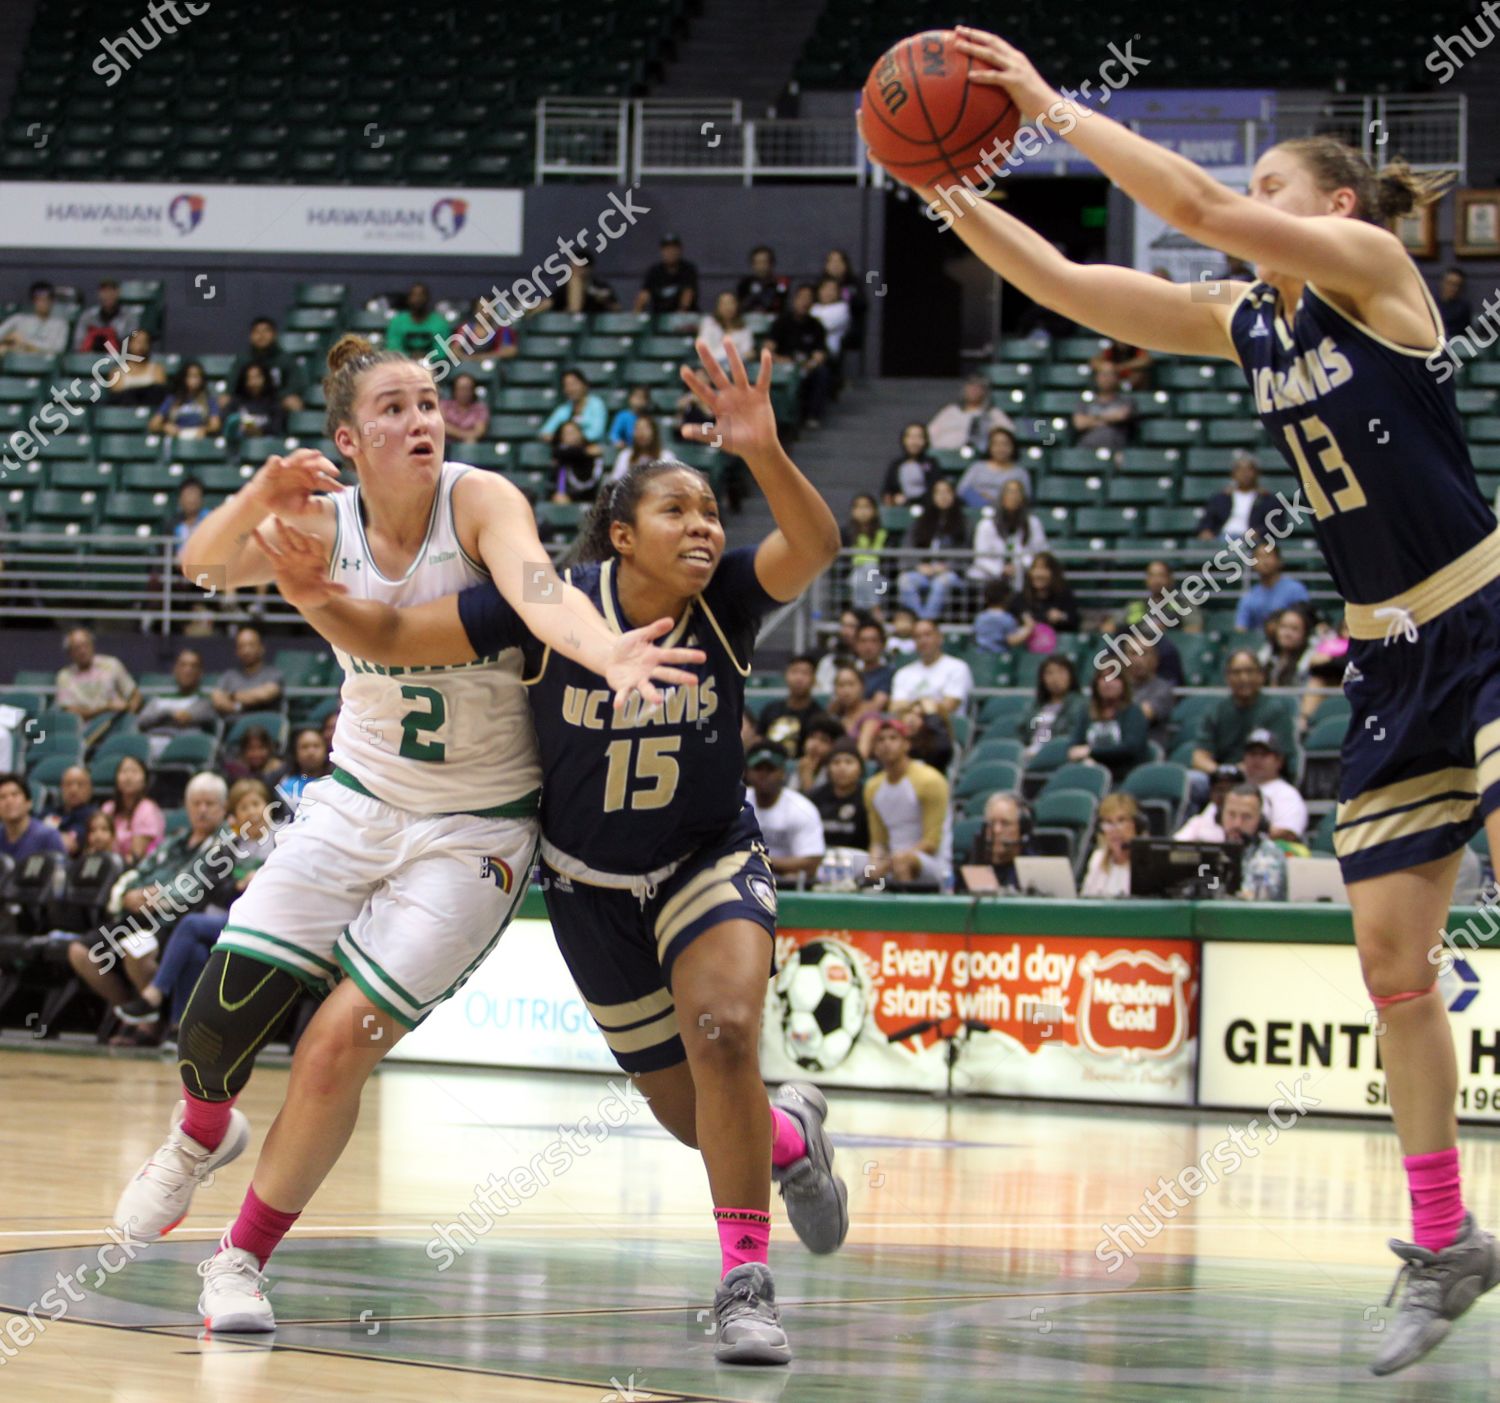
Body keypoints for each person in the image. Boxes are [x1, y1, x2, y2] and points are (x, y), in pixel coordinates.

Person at [888, 34, 1500, 1359]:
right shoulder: (1253, 319)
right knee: (1394, 966)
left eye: (1274, 180)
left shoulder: (1376, 274)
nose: (1249, 198)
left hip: (1486, 615)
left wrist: (1051, 110)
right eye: (1254, 186)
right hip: (1389, 663)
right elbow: (1063, 279)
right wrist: (944, 187)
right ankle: (1448, 1241)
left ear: (1331, 208)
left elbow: (1201, 209)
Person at [248, 339, 846, 1364]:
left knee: (724, 1030)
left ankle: (746, 1284)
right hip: (589, 885)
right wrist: (307, 594)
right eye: (678, 512)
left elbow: (818, 543)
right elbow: (393, 638)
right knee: (696, 1113)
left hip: (707, 856)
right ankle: (790, 1134)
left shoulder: (731, 602)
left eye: (711, 510)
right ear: (620, 534)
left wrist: (766, 450)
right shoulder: (543, 609)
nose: (705, 526)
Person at [112, 334, 703, 1339]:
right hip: (355, 799)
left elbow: (538, 585)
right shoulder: (319, 519)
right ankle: (201, 1130)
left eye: (430, 401)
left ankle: (240, 1259)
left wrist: (605, 648)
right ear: (349, 438)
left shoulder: (478, 501)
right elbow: (203, 566)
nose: (421, 419)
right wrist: (259, 492)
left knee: (341, 1039)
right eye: (394, 408)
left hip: (476, 825)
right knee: (213, 1021)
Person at [66, 772, 235, 1042]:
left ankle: (145, 1024)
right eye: (196, 803)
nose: (202, 810)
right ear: (187, 806)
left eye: (210, 803)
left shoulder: (224, 845)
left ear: (223, 808)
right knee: (81, 952)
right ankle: (131, 1010)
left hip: (173, 920)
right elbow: (140, 870)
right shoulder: (174, 841)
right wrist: (127, 895)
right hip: (138, 913)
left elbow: (196, 889)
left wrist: (159, 895)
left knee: (136, 948)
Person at [112, 777, 279, 1034]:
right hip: (229, 917)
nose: (252, 812)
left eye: (256, 804)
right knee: (195, 952)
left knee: (189, 924)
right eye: (243, 808)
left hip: (263, 921)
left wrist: (260, 879)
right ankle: (179, 1028)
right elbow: (215, 891)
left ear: (267, 806)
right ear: (235, 817)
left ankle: (155, 995)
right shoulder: (228, 847)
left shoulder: (282, 843)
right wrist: (237, 887)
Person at [1190, 651, 1297, 793]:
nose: (1243, 678)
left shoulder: (1276, 711)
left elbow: (1281, 759)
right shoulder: (1216, 710)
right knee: (1193, 781)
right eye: (1236, 672)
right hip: (1222, 780)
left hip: (1261, 778)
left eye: (1249, 671)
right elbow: (1199, 757)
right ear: (1227, 677)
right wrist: (1225, 772)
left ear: (1261, 675)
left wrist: (1246, 770)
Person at [864, 716, 952, 887]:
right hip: (891, 860)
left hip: (932, 864)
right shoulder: (872, 786)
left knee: (901, 862)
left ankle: (908, 911)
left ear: (907, 744)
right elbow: (878, 841)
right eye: (880, 740)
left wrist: (887, 864)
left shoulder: (929, 780)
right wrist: (873, 867)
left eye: (893, 738)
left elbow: (931, 843)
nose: (886, 744)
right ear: (874, 748)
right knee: (846, 863)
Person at [744, 742, 826, 884]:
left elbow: (812, 861)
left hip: (787, 884)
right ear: (747, 772)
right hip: (742, 880)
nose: (763, 775)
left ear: (783, 772)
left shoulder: (802, 808)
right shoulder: (737, 803)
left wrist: (757, 861)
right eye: (758, 769)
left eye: (770, 769)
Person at [896, 478, 967, 621]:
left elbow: (967, 553)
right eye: (938, 492)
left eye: (947, 492)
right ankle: (920, 620)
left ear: (954, 495)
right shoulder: (921, 521)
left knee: (941, 583)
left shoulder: (964, 523)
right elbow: (907, 548)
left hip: (951, 573)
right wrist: (918, 566)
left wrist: (948, 566)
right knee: (905, 580)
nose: (943, 496)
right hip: (923, 571)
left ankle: (927, 622)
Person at [1067, 667, 1150, 782]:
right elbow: (1074, 747)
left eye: (1114, 678)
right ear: (1096, 684)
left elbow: (1130, 748)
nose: (1108, 683)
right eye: (1103, 678)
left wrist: (1091, 753)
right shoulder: (1086, 713)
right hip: (1088, 773)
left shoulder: (1133, 712)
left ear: (1123, 684)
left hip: (1123, 776)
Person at [767, 284, 832, 428]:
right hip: (782, 366)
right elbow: (768, 349)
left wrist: (810, 364)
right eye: (802, 298)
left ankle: (812, 416)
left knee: (822, 372)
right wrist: (780, 360)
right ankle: (779, 419)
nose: (805, 302)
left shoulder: (816, 326)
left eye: (809, 298)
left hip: (806, 367)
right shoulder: (781, 322)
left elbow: (820, 354)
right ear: (794, 300)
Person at [890, 617, 973, 724]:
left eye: (928, 635)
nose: (923, 640)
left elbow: (949, 706)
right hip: (909, 730)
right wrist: (925, 705)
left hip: (945, 729)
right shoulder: (903, 673)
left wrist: (912, 708)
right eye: (917, 637)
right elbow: (895, 708)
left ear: (940, 638)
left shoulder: (958, 667)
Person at [137, 648, 216, 757]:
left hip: (183, 750)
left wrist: (159, 716)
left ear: (200, 673)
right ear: (175, 670)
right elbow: (142, 720)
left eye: (193, 666)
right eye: (183, 665)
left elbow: (183, 718)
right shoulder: (159, 698)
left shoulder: (205, 701)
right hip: (150, 745)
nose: (188, 670)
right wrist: (169, 714)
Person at [55, 627, 140, 728]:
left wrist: (129, 715)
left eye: (86, 645)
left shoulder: (112, 664)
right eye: (77, 648)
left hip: (116, 724)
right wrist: (105, 709)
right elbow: (71, 712)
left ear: (92, 645)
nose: (83, 651)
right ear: (69, 653)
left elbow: (135, 695)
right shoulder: (64, 676)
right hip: (85, 730)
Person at [970, 478, 1046, 590]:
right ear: (1002, 496)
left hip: (1024, 574)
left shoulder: (1033, 523)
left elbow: (1040, 551)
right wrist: (1001, 569)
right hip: (990, 576)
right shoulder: (986, 525)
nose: (1013, 497)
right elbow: (980, 557)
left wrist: (1021, 566)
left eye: (1017, 492)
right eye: (1010, 492)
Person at [1219, 783, 1288, 900]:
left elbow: (1256, 898)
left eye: (1246, 817)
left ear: (1260, 821)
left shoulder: (1269, 854)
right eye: (1231, 814)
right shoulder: (1213, 852)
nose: (1237, 824)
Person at [1239, 727, 1308, 841]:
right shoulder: (1234, 790)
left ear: (1279, 761)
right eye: (1252, 754)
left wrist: (1246, 836)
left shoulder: (1287, 794)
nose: (1257, 759)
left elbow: (1288, 833)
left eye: (1264, 754)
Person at [959, 791, 1034, 892]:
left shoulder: (1033, 869)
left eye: (1005, 823)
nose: (996, 830)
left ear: (1023, 829)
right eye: (991, 823)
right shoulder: (975, 861)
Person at [759, 655, 831, 759]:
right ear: (786, 676)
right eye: (794, 672)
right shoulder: (770, 710)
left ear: (814, 679)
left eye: (805, 673)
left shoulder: (820, 717)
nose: (799, 678)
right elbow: (759, 739)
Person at [1197, 452, 1278, 543]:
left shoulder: (1267, 499)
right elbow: (1207, 521)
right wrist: (1206, 531)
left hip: (1251, 541)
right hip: (1222, 538)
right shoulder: (1220, 498)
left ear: (1256, 473)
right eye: (1240, 470)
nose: (1244, 474)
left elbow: (1275, 524)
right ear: (1233, 474)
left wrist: (1259, 532)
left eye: (1249, 470)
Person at [230, 317, 306, 414]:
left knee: (294, 402)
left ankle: (287, 429)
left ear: (274, 335)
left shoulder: (285, 359)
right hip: (248, 399)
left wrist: (273, 396)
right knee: (224, 400)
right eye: (257, 332)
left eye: (266, 331)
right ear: (251, 336)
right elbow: (232, 387)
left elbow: (295, 386)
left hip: (276, 399)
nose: (261, 336)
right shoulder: (243, 360)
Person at [809, 736, 871, 851]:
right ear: (828, 769)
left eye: (849, 762)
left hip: (859, 859)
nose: (842, 768)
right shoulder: (815, 797)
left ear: (860, 768)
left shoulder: (868, 797)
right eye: (836, 763)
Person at [926, 375, 1016, 453]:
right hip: (941, 453)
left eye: (978, 387)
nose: (973, 390)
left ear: (984, 392)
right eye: (970, 386)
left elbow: (1008, 432)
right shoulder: (950, 411)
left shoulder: (993, 413)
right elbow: (929, 433)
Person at [101, 754, 165, 863]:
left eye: (134, 772)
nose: (128, 777)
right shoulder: (108, 808)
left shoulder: (148, 809)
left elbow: (137, 855)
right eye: (124, 771)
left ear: (144, 780)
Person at [1236, 539, 1310, 633]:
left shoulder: (1295, 589)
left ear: (1279, 561)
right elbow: (1241, 628)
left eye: (1268, 556)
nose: (1264, 561)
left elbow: (1304, 620)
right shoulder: (1249, 596)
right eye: (1259, 557)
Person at [1018, 655, 1085, 756]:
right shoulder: (1034, 705)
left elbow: (1072, 737)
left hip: (1057, 756)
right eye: (1049, 673)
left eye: (1061, 672)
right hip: (1028, 755)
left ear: (1071, 676)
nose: (1055, 678)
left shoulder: (1080, 705)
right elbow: (1022, 734)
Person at [211, 627, 283, 718]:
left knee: (254, 731)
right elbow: (217, 699)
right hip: (233, 726)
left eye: (251, 645)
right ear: (237, 651)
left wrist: (231, 696)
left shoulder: (273, 674)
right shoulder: (229, 675)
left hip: (262, 725)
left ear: (261, 648)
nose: (246, 651)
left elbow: (263, 696)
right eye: (241, 646)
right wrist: (237, 707)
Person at [1081, 793, 1141, 897]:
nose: (1115, 829)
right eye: (1108, 822)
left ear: (1136, 825)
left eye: (1121, 820)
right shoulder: (1097, 859)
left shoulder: (1148, 865)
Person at [956, 427, 1031, 510]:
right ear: (989, 447)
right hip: (977, 510)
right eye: (996, 444)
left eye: (1005, 444)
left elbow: (1026, 498)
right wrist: (981, 500)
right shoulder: (977, 467)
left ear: (1012, 447)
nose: (1000, 448)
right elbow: (961, 490)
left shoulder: (1019, 473)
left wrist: (998, 501)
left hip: (1006, 513)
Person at [0, 771, 67, 863]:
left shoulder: (48, 836)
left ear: (29, 803)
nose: (9, 801)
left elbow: (61, 872)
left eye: (15, 795)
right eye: (2, 797)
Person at [1014, 552, 1081, 642]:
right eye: (1035, 568)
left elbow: (1074, 620)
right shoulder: (1021, 598)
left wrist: (1061, 617)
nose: (1038, 574)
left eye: (1044, 569)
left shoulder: (1064, 595)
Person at [150, 361, 222, 440]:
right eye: (190, 376)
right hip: (177, 437)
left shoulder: (209, 400)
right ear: (183, 379)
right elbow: (154, 424)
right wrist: (165, 427)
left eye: (197, 376)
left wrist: (205, 429)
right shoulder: (172, 400)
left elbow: (215, 425)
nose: (194, 380)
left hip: (198, 438)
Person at [1071, 364, 1135, 451]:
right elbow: (1079, 423)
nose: (1106, 378)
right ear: (1096, 378)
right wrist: (1110, 419)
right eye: (1103, 375)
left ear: (1117, 378)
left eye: (1110, 374)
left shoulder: (1125, 400)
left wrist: (1093, 419)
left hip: (1116, 449)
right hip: (1086, 449)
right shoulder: (1085, 401)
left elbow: (1121, 416)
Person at [841, 492, 888, 610]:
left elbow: (888, 563)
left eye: (867, 507)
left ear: (875, 510)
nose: (863, 511)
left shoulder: (884, 533)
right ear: (853, 511)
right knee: (859, 578)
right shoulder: (846, 534)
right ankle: (875, 608)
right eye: (859, 507)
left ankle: (859, 613)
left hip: (879, 577)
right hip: (853, 574)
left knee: (868, 570)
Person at [1174, 763, 1244, 842]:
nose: (1224, 795)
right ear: (1211, 793)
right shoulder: (1198, 823)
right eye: (1219, 790)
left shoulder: (1251, 822)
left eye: (1230, 790)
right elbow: (1176, 846)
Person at [539, 368, 608, 446]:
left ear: (584, 385)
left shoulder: (596, 404)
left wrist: (574, 438)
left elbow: (596, 432)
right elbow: (544, 432)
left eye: (574, 384)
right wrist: (562, 439)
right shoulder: (563, 409)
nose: (571, 389)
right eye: (567, 385)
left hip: (592, 449)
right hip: (569, 452)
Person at [40, 764, 97, 857]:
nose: (73, 789)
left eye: (80, 784)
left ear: (90, 789)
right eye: (68, 784)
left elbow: (70, 845)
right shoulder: (50, 812)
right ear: (61, 788)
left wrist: (47, 837)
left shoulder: (93, 815)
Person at [269, 727, 332, 812]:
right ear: (295, 753)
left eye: (316, 746)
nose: (311, 752)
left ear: (325, 751)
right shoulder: (282, 782)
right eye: (304, 747)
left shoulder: (335, 783)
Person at [634, 233, 699, 315]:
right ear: (662, 251)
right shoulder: (654, 272)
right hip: (659, 318)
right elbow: (643, 296)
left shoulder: (688, 269)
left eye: (673, 248)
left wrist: (681, 314)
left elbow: (688, 295)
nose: (670, 252)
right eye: (667, 249)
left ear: (680, 250)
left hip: (683, 319)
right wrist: (636, 315)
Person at [1125, 643, 1176, 748]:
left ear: (1155, 659)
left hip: (1148, 750)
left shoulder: (1162, 688)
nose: (1138, 660)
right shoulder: (1119, 686)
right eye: (1133, 653)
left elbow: (1141, 716)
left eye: (1144, 654)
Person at [383, 282, 450, 360]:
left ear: (428, 298)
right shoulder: (397, 322)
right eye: (414, 295)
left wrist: (426, 357)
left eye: (421, 295)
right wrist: (410, 356)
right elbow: (393, 348)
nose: (418, 299)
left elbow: (442, 352)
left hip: (434, 366)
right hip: (403, 365)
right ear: (408, 299)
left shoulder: (440, 323)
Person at [105, 328, 168, 408]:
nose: (141, 345)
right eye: (138, 341)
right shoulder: (117, 372)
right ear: (129, 344)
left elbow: (159, 394)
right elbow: (117, 396)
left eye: (145, 342)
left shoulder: (157, 369)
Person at [221, 362, 286, 441]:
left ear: (265, 378)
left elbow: (277, 428)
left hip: (266, 446)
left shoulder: (274, 403)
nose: (253, 383)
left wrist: (259, 431)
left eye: (257, 377)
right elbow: (227, 423)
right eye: (249, 378)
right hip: (238, 446)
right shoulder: (236, 401)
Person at [0, 280, 68, 355]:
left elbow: (58, 349)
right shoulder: (19, 319)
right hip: (21, 359)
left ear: (52, 301)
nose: (43, 303)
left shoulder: (61, 324)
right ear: (33, 301)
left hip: (46, 363)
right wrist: (9, 339)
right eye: (39, 299)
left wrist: (26, 343)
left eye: (46, 299)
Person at [880, 423, 941, 506]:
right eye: (911, 437)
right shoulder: (896, 465)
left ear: (925, 440)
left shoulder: (930, 464)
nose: (914, 441)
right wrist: (893, 499)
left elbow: (935, 488)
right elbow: (887, 491)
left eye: (919, 437)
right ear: (904, 440)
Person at [74, 277, 137, 354]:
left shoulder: (130, 316)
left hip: (120, 359)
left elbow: (134, 338)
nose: (108, 295)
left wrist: (113, 337)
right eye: (104, 291)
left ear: (118, 292)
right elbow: (78, 344)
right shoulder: (88, 316)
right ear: (99, 294)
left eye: (111, 290)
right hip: (90, 358)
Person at [551, 420, 605, 504]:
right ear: (561, 438)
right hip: (567, 499)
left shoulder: (593, 456)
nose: (572, 436)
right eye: (567, 434)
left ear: (581, 433)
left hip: (592, 498)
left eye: (574, 432)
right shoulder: (561, 457)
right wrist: (585, 452)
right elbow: (560, 451)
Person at [698, 291, 754, 368]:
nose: (728, 307)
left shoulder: (744, 328)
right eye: (724, 303)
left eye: (731, 303)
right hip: (712, 366)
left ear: (737, 305)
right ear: (718, 306)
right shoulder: (709, 323)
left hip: (736, 368)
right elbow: (704, 347)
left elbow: (747, 352)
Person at [791, 715, 844, 795]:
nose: (814, 745)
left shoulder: (835, 773)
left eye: (824, 740)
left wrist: (807, 777)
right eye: (812, 737)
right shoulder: (800, 764)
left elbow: (817, 806)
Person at [973, 578, 1028, 652]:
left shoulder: (980, 617)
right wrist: (1029, 627)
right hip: (998, 657)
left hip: (980, 655)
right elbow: (1012, 640)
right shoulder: (1007, 619)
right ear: (1007, 598)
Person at [852, 617, 895, 711]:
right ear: (856, 645)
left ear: (882, 645)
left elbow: (876, 706)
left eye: (873, 641)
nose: (868, 647)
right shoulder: (851, 674)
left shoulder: (888, 674)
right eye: (863, 641)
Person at [610, 414, 666, 484]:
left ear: (654, 432)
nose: (641, 433)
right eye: (637, 428)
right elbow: (615, 481)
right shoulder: (626, 455)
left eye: (645, 428)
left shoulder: (665, 456)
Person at [810, 276, 852, 366]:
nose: (828, 293)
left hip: (829, 350)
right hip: (808, 347)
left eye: (832, 289)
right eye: (825, 289)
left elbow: (824, 326)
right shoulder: (813, 307)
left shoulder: (842, 308)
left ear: (838, 292)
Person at [736, 245, 789, 316]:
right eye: (758, 262)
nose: (761, 266)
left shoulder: (780, 283)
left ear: (771, 264)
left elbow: (783, 304)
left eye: (764, 262)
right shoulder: (744, 284)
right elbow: (740, 306)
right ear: (753, 265)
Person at [440, 371, 490, 445]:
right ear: (454, 390)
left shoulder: (480, 409)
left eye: (467, 388)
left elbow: (479, 432)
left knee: (471, 443)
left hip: (467, 446)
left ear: (473, 390)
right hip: (445, 445)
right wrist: (465, 436)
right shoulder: (444, 405)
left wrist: (452, 431)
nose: (464, 392)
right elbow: (441, 426)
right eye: (461, 388)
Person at [608, 385, 653, 451]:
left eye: (643, 398)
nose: (639, 400)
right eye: (637, 397)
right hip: (627, 449)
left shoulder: (648, 417)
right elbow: (613, 434)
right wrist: (617, 442)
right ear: (630, 398)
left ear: (647, 401)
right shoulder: (623, 416)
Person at [1436, 267, 1471, 341]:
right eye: (1449, 283)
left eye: (1457, 285)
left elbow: (1461, 331)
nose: (1453, 288)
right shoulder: (1431, 304)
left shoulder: (1463, 308)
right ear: (1442, 283)